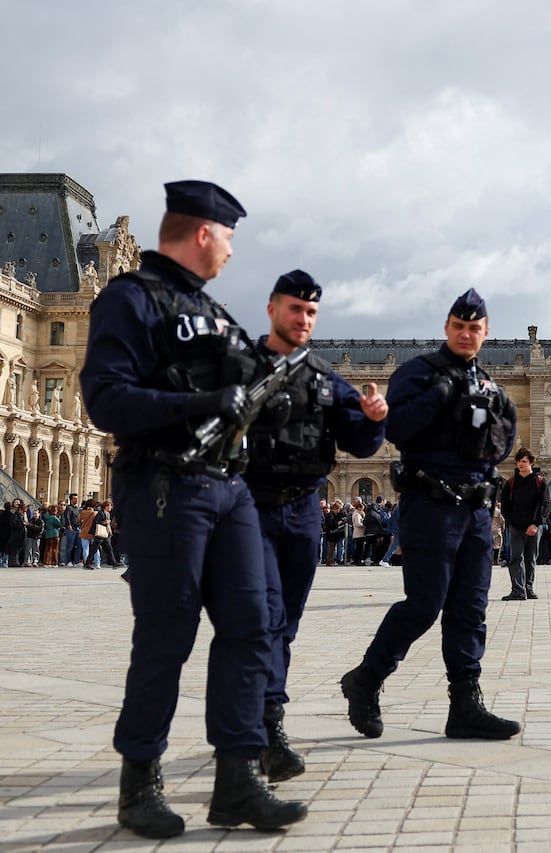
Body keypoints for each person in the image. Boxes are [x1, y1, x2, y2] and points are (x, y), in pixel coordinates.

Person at [80, 180, 306, 837]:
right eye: (228, 238)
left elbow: (245, 387)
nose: (232, 251)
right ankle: (139, 782)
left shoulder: (212, 310)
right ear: (203, 233)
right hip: (164, 484)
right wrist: (197, 405)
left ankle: (238, 778)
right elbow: (105, 399)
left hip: (229, 488)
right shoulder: (131, 298)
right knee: (166, 633)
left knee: (253, 627)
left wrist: (273, 405)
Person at [341, 288, 519, 742]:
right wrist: (439, 397)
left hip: (476, 511)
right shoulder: (417, 374)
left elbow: (502, 444)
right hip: (431, 504)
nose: (466, 334)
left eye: (474, 328)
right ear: (447, 327)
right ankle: (367, 678)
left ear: (485, 332)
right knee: (423, 604)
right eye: (459, 326)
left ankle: (465, 705)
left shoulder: (491, 388)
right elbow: (397, 429)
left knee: (470, 609)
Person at [243, 270, 387, 783]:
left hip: (305, 509)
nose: (303, 319)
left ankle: (263, 721)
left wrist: (374, 418)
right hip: (251, 507)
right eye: (294, 309)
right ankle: (265, 727)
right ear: (272, 309)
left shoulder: (325, 378)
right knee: (262, 618)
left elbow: (362, 444)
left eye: (311, 312)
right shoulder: (241, 367)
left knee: (285, 621)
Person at [499, 447, 547, 600]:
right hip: (516, 526)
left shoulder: (540, 482)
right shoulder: (511, 482)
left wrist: (536, 524)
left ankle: (528, 588)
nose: (521, 464)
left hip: (534, 526)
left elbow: (544, 504)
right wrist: (512, 522)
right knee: (515, 557)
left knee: (530, 558)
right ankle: (518, 590)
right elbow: (505, 505)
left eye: (524, 461)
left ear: (531, 462)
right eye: (519, 461)